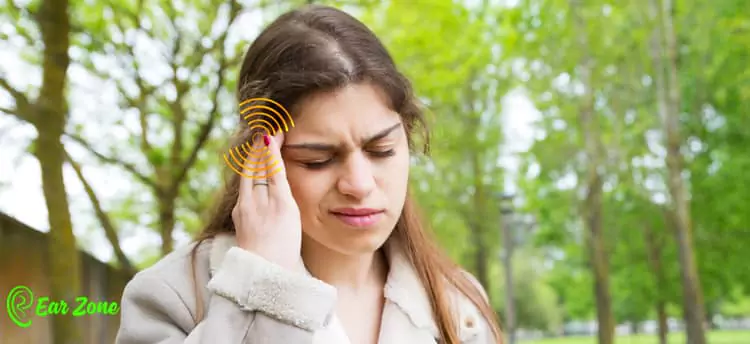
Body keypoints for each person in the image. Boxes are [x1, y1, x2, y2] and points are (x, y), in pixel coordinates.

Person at [114, 4, 503, 344]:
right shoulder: (171, 296)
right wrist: (264, 288)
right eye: (318, 160)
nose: (359, 184)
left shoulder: (459, 305)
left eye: (381, 150)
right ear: (260, 160)